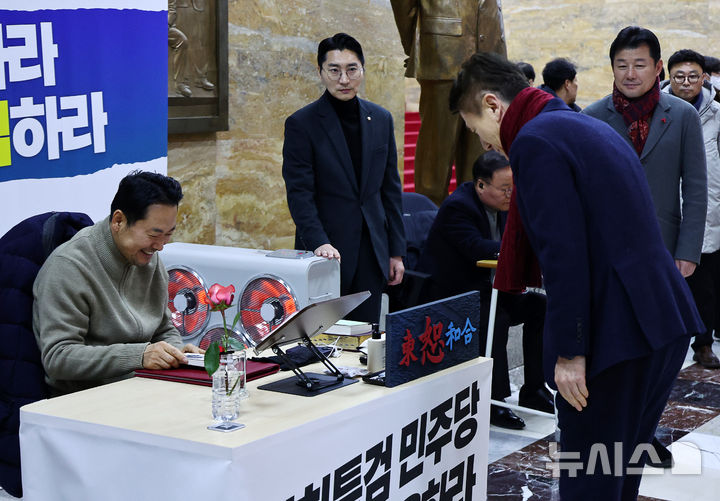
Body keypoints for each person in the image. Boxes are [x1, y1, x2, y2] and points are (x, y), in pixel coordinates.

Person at [449, 51, 703, 499]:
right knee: (618, 474)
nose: (485, 144)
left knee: (588, 481)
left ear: (492, 105)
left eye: (475, 129)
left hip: (617, 336)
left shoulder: (536, 141)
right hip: (659, 321)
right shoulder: (579, 124)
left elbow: (564, 254)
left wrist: (570, 352)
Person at [33, 171, 203, 395]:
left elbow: (163, 329)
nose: (160, 246)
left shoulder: (149, 259)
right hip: (86, 398)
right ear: (118, 221)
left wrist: (177, 352)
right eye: (154, 235)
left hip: (142, 388)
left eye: (168, 235)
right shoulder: (69, 266)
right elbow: (58, 357)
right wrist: (139, 356)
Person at [418, 151, 551, 430]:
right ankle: (493, 400)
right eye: (504, 189)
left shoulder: (505, 205)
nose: (510, 195)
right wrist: (519, 250)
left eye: (513, 189)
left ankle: (534, 389)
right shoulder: (458, 207)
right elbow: (476, 248)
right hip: (455, 294)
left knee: (539, 306)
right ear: (481, 185)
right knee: (496, 318)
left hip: (489, 291)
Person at [282, 33, 405, 323]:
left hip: (372, 249)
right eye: (334, 70)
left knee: (365, 332)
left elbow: (390, 189)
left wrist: (396, 251)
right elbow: (300, 192)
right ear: (320, 72)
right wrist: (319, 241)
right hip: (326, 251)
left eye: (352, 69)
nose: (344, 79)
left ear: (362, 69)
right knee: (324, 333)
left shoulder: (381, 118)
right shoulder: (302, 123)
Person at [390, 0, 507, 205]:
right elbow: (404, 6)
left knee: (479, 153)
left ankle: (474, 214)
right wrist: (418, 46)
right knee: (436, 152)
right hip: (442, 52)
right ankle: (429, 215)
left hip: (489, 59)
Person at [662, 49, 720, 368]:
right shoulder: (655, 111)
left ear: (704, 78)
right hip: (665, 211)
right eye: (679, 76)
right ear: (668, 77)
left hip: (708, 212)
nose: (686, 82)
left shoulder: (717, 115)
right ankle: (665, 347)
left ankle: (703, 343)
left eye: (693, 76)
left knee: (705, 285)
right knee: (665, 285)